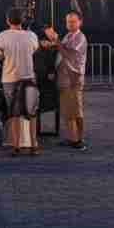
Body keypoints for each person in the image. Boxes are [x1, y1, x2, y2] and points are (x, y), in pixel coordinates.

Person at [0, 9, 43, 156]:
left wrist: (2, 56)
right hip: (29, 77)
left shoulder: (3, 36)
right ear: (22, 20)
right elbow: (35, 50)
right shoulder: (31, 36)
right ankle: (33, 146)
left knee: (14, 114)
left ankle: (16, 146)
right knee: (31, 113)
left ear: (8, 21)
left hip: (10, 79)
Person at [45, 10, 88, 150]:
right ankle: (72, 137)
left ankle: (78, 140)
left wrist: (55, 40)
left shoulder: (80, 38)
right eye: (68, 21)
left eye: (73, 21)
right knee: (67, 110)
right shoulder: (69, 36)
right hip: (64, 79)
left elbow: (67, 53)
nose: (70, 24)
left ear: (80, 22)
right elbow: (61, 50)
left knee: (74, 110)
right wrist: (52, 43)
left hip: (72, 79)